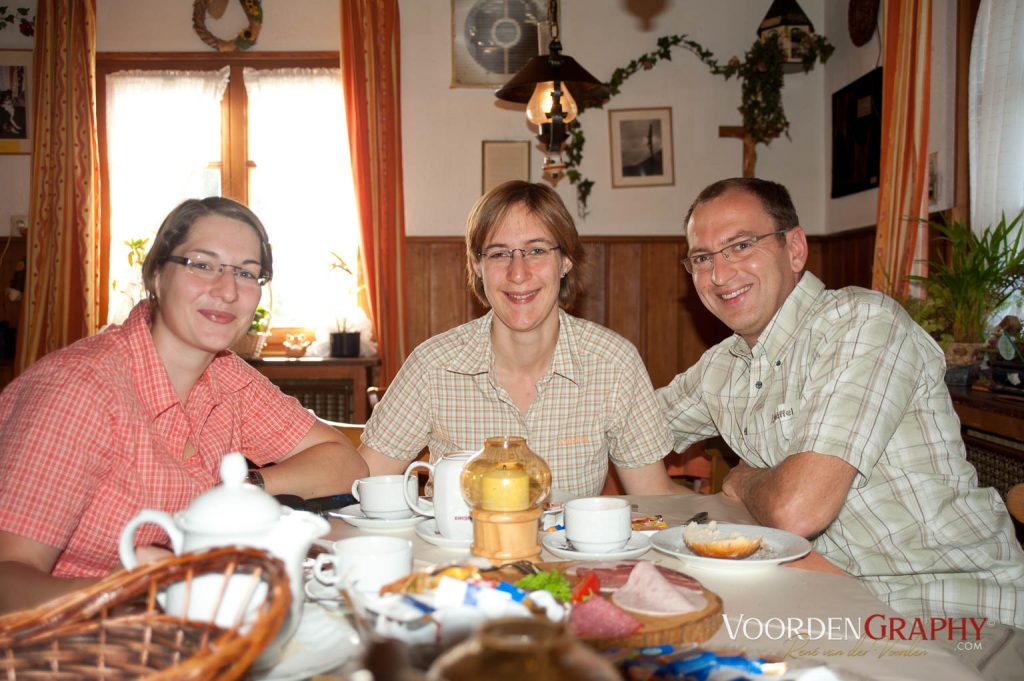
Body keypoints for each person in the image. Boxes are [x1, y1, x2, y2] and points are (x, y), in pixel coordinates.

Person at [657, 177, 1024, 671]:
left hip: (949, 608)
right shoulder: (723, 365)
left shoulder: (862, 323)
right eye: (702, 257)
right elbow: (634, 426)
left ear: (795, 248)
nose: (720, 273)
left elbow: (797, 509)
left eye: (740, 245)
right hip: (828, 602)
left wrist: (745, 480)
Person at [0, 197, 367, 613]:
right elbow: (8, 580)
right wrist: (132, 589)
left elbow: (345, 465)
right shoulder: (78, 390)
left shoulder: (225, 374)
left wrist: (239, 490)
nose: (227, 290)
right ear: (156, 275)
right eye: (202, 264)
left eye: (246, 273)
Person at [360, 181, 683, 497]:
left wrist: (729, 508)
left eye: (537, 250)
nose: (518, 273)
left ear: (565, 261)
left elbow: (654, 495)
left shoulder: (614, 363)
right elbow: (363, 484)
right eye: (500, 254)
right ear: (477, 265)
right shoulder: (432, 365)